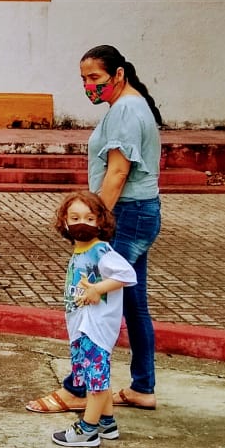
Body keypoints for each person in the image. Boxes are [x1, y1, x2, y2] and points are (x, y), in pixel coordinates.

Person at [25, 43, 163, 414]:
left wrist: (96, 221)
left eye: (95, 77)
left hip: (127, 214)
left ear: (119, 74)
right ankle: (142, 387)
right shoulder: (129, 107)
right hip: (139, 212)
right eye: (84, 78)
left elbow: (118, 172)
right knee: (132, 304)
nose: (88, 85)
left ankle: (77, 388)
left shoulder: (126, 110)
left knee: (93, 302)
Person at [48, 190, 137, 447]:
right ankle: (107, 422)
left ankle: (87, 430)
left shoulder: (101, 251)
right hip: (82, 326)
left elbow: (127, 274)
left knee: (96, 383)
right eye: (74, 217)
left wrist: (98, 288)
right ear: (64, 221)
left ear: (100, 221)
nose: (81, 223)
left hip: (95, 328)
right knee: (94, 377)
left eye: (89, 218)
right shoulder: (81, 250)